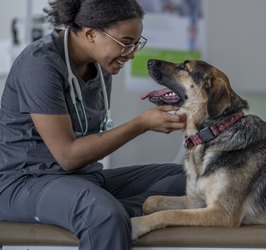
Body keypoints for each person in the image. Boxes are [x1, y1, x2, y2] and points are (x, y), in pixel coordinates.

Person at [0, 0, 187, 249]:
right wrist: (141, 124)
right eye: (126, 42)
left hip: (84, 179)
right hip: (24, 183)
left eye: (136, 44)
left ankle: (114, 211)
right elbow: (68, 156)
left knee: (188, 177)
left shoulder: (100, 68)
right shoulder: (40, 64)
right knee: (102, 214)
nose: (132, 53)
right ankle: (106, 213)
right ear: (91, 34)